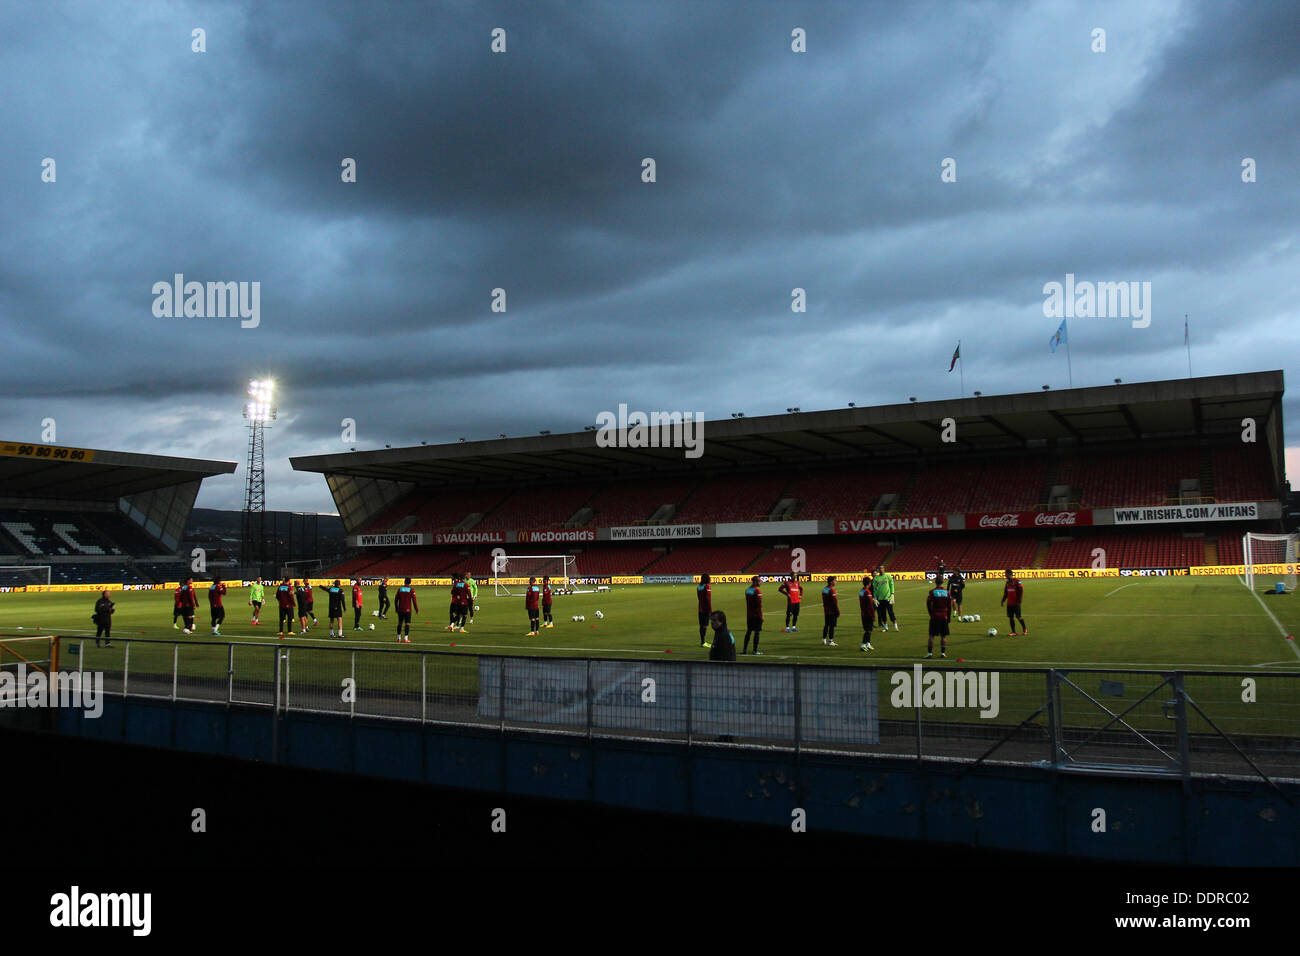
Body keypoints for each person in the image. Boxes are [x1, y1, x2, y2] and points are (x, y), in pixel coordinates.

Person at [925, 575, 953, 659]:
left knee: (931, 636)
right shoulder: (947, 592)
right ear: (942, 582)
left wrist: (931, 613)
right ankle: (943, 653)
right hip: (944, 616)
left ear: (935, 582)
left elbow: (928, 604)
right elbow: (949, 606)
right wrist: (948, 617)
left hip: (935, 616)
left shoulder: (932, 592)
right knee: (943, 636)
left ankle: (930, 654)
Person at [1001, 569, 1027, 637]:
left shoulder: (1017, 581)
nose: (1005, 575)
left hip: (1016, 603)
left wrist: (1019, 600)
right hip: (1009, 603)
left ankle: (1024, 629)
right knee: (1011, 617)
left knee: (1018, 617)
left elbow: (1021, 591)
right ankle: (1013, 632)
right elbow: (1006, 593)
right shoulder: (1007, 583)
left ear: (1009, 574)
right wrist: (1003, 600)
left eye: (1006, 574)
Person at [872, 566, 898, 631]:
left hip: (888, 598)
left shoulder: (888, 576)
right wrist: (875, 597)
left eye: (882, 568)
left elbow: (892, 585)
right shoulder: (876, 578)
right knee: (883, 613)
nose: (880, 569)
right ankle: (886, 627)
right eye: (879, 568)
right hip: (880, 599)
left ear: (884, 569)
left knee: (890, 612)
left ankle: (895, 625)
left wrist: (892, 594)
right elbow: (874, 589)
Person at [742, 575, 763, 655]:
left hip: (749, 614)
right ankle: (755, 650)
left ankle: (744, 650)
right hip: (756, 615)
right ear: (755, 582)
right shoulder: (757, 591)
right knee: (757, 632)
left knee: (749, 631)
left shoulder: (747, 590)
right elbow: (759, 605)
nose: (760, 582)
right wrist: (761, 616)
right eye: (759, 581)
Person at [394, 577, 417, 643]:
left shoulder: (400, 589)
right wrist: (416, 609)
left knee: (399, 623)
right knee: (407, 624)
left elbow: (396, 600)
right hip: (408, 609)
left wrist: (396, 608)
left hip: (400, 609)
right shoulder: (411, 590)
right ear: (410, 582)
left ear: (404, 582)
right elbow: (414, 601)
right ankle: (406, 638)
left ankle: (398, 638)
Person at [858, 575, 876, 652]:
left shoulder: (861, 591)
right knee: (868, 630)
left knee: (869, 630)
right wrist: (873, 615)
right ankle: (863, 645)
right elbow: (870, 605)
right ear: (869, 583)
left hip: (863, 613)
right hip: (868, 614)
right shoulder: (867, 592)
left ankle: (868, 644)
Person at [821, 575, 840, 646]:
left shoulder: (824, 589)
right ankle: (831, 641)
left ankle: (823, 639)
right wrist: (837, 611)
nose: (836, 582)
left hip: (826, 610)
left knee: (826, 625)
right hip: (832, 610)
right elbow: (834, 602)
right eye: (835, 580)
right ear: (832, 582)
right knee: (832, 626)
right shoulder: (832, 590)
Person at [696, 573, 712, 646]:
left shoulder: (699, 587)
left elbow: (699, 598)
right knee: (705, 625)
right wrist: (710, 610)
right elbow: (708, 599)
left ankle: (702, 641)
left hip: (700, 608)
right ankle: (703, 642)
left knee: (701, 625)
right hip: (706, 609)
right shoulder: (707, 586)